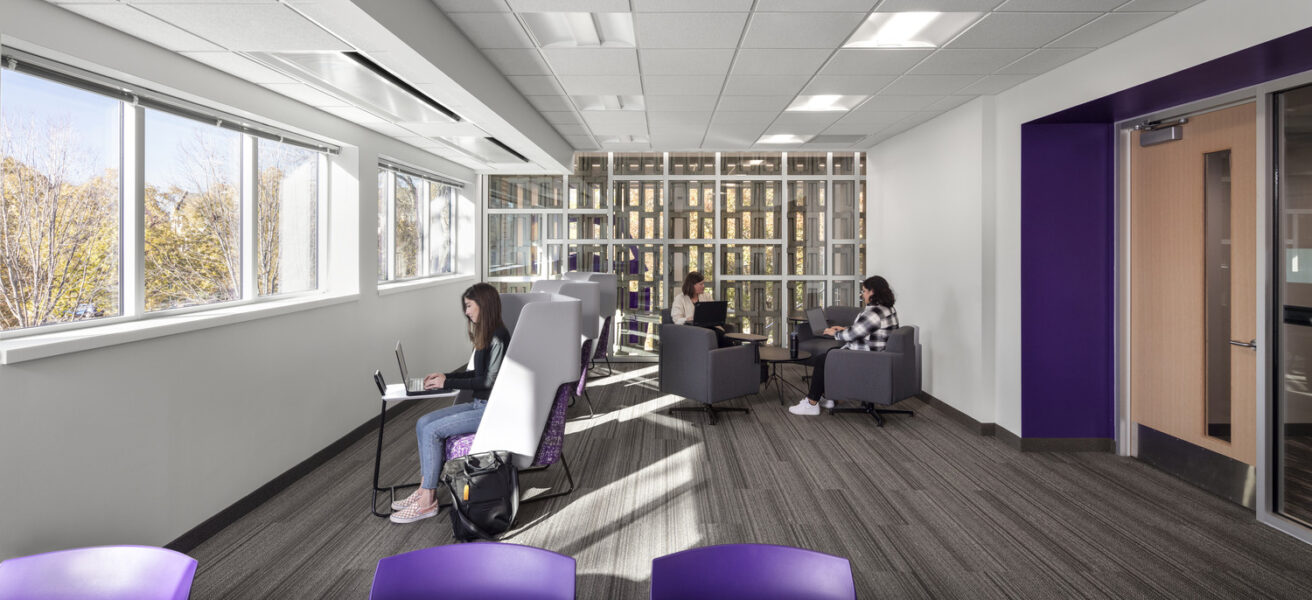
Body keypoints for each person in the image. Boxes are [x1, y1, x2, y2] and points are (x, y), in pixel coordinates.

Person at [389, 282, 511, 523]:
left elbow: (488, 381)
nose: (466, 312)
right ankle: (425, 488)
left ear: (483, 305)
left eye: (469, 306)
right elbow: (475, 373)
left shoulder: (499, 336)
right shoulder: (486, 335)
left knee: (434, 430)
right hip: (479, 405)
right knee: (423, 422)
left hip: (490, 411)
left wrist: (447, 382)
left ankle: (427, 502)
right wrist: (445, 377)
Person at [788, 276, 899, 416]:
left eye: (864, 291)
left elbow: (851, 336)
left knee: (823, 360)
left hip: (868, 358)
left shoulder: (873, 313)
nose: (862, 294)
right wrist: (843, 328)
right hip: (877, 356)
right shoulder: (887, 309)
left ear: (872, 292)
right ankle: (826, 398)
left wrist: (834, 333)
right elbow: (863, 329)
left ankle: (811, 403)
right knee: (829, 354)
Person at [670, 271, 733, 347]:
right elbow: (676, 319)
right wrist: (688, 319)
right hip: (692, 330)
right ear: (692, 285)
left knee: (723, 336)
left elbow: (713, 312)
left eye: (703, 283)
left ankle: (727, 355)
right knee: (716, 335)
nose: (703, 286)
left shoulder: (706, 296)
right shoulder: (680, 299)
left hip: (709, 326)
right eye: (701, 284)